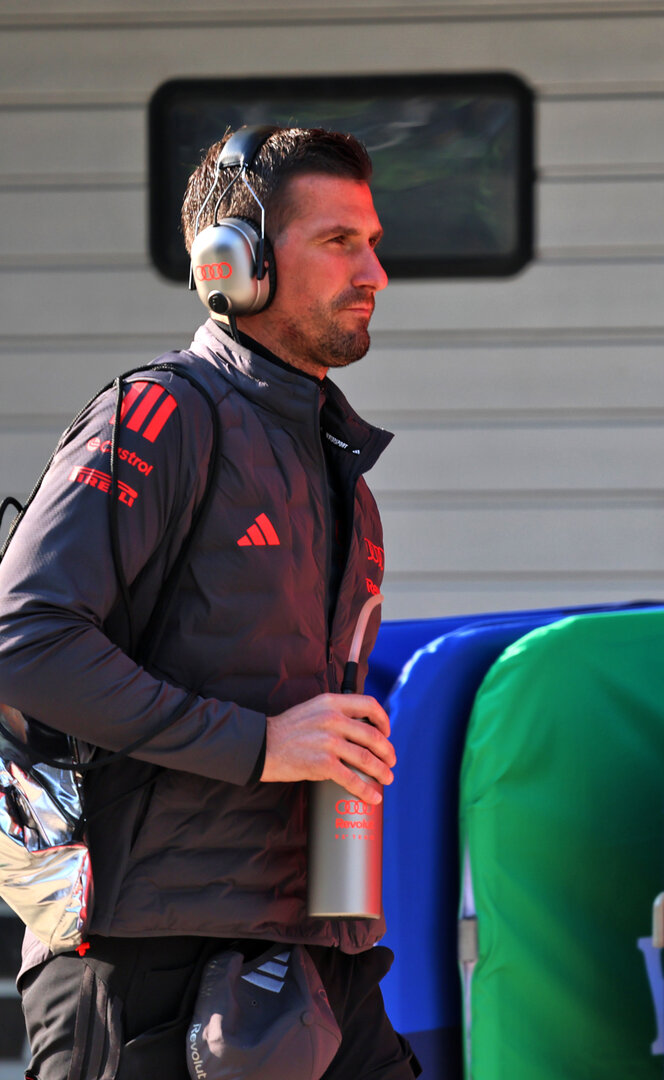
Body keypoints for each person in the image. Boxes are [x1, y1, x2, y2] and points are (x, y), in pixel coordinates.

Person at [0, 126, 418, 1079]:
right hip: (147, 964)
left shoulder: (338, 469)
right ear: (235, 264)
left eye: (373, 241)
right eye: (340, 241)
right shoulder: (163, 415)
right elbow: (22, 637)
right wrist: (264, 745)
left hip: (316, 959)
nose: (376, 273)